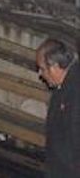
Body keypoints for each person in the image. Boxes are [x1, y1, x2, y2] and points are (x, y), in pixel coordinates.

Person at [35, 38, 79, 178]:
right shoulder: (62, 89)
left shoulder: (74, 93)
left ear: (54, 67)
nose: (40, 75)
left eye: (42, 69)